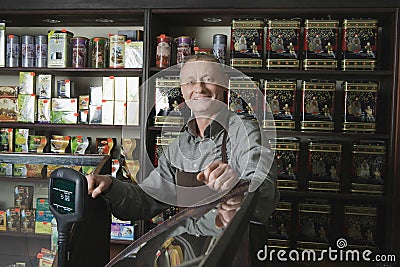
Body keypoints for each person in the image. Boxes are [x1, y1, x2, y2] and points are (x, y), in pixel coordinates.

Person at [86, 54, 278, 231]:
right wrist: (110, 185)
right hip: (187, 250)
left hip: (227, 254)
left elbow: (264, 187)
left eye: (208, 80)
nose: (199, 89)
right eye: (190, 82)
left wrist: (238, 187)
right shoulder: (178, 146)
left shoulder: (244, 131)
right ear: (182, 91)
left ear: (224, 85)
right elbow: (148, 199)